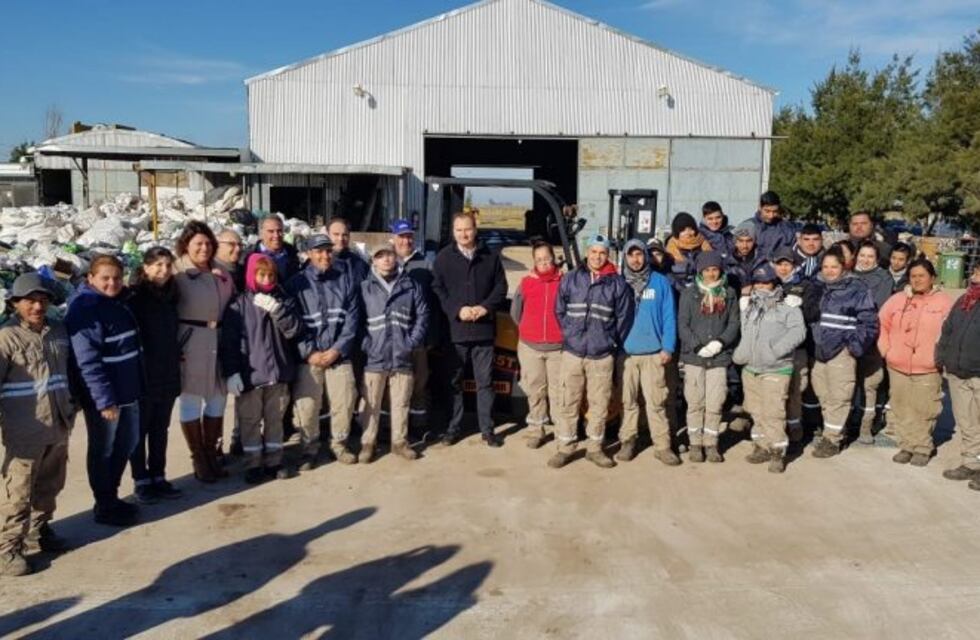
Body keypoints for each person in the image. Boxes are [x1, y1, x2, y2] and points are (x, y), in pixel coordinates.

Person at [0, 274, 74, 575]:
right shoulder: (7, 338)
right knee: (18, 489)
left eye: (42, 300)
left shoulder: (57, 332)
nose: (37, 305)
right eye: (30, 300)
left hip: (58, 423)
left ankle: (39, 531)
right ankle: (7, 549)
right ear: (16, 303)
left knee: (50, 483)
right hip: (24, 429)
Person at [66, 255, 143, 527]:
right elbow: (87, 361)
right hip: (107, 398)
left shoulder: (117, 302)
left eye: (117, 278)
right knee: (104, 450)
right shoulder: (85, 309)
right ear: (91, 279)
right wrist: (103, 400)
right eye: (105, 278)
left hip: (128, 392)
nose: (112, 283)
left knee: (128, 443)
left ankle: (111, 495)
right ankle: (104, 503)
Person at [550, 235, 633, 469]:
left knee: (599, 404)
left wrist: (609, 342)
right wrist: (571, 334)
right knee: (568, 400)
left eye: (602, 253)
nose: (598, 257)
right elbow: (559, 310)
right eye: (594, 252)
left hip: (601, 354)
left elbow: (624, 319)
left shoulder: (617, 284)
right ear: (588, 253)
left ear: (609, 255)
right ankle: (565, 447)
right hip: (573, 353)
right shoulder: (571, 279)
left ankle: (595, 448)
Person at [221, 254, 303, 483]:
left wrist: (279, 312)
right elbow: (230, 343)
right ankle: (253, 464)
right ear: (251, 275)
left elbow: (294, 330)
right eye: (261, 274)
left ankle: (274, 461)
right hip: (251, 374)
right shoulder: (239, 306)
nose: (266, 279)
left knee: (275, 419)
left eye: (270, 275)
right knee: (250, 421)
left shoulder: (282, 300)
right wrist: (232, 372)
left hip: (278, 373)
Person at [431, 211, 507, 448]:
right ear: (453, 232)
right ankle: (453, 429)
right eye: (459, 230)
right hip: (456, 332)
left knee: (485, 382)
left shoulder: (490, 257)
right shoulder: (443, 258)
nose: (464, 234)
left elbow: (501, 286)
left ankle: (487, 429)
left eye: (468, 229)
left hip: (483, 331)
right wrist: (457, 310)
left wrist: (485, 308)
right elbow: (438, 289)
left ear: (475, 229)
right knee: (453, 382)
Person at [286, 234, 362, 467]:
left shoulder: (345, 280)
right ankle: (309, 449)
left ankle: (338, 445)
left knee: (345, 401)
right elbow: (292, 324)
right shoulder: (296, 284)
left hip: (338, 355)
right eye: (318, 251)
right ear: (308, 254)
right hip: (310, 358)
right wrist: (309, 353)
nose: (324, 256)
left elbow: (352, 321)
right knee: (307, 406)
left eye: (328, 251)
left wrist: (337, 350)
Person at [174, 221, 236, 483]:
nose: (204, 248)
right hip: (191, 339)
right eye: (198, 243)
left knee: (217, 397)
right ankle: (198, 456)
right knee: (191, 398)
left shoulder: (220, 271)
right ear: (186, 245)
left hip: (218, 338)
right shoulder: (177, 271)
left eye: (208, 243)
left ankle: (212, 452)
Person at [358, 243, 430, 463]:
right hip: (375, 356)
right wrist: (367, 345)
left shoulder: (410, 285)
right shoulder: (365, 287)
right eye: (380, 256)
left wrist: (411, 343)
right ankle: (367, 443)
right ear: (374, 260)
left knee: (401, 402)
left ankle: (399, 442)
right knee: (371, 403)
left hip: (402, 354)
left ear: (396, 257)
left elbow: (423, 315)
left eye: (389, 254)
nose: (386, 259)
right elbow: (357, 321)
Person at [878, 259, 953, 466]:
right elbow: (882, 324)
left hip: (927, 367)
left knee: (925, 408)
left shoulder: (944, 302)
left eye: (922, 276)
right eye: (913, 276)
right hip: (897, 365)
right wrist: (887, 351)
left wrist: (940, 357)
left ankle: (922, 447)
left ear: (932, 278)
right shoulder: (897, 300)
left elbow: (951, 333)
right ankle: (906, 445)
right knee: (901, 406)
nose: (917, 280)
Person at [733, 264, 806, 473]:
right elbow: (746, 333)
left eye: (766, 282)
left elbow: (798, 332)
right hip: (751, 368)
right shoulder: (749, 307)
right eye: (758, 282)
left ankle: (777, 451)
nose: (762, 286)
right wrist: (742, 354)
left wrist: (775, 351)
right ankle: (761, 445)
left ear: (774, 283)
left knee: (773, 411)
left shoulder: (787, 307)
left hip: (776, 368)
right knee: (755, 410)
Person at [807, 248, 878, 458]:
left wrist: (853, 347)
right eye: (826, 266)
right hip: (819, 350)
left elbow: (869, 322)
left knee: (840, 395)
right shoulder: (816, 286)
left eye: (834, 266)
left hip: (841, 350)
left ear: (843, 267)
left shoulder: (856, 289)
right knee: (824, 394)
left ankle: (832, 439)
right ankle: (836, 429)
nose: (829, 271)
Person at [127, 248, 182, 504]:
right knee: (140, 431)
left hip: (168, 371)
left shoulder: (171, 296)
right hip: (144, 374)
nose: (163, 270)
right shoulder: (135, 298)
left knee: (161, 428)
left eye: (167, 265)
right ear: (145, 268)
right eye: (157, 265)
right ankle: (141, 480)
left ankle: (158, 476)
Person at [617, 239, 677, 465]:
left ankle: (662, 445)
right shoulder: (619, 282)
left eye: (639, 254)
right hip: (627, 354)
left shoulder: (660, 282)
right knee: (628, 401)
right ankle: (628, 440)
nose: (635, 259)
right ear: (625, 257)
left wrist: (668, 347)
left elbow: (669, 316)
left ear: (646, 256)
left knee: (656, 402)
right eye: (631, 255)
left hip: (654, 354)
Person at [678, 251, 739, 463]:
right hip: (695, 358)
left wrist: (719, 343)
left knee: (715, 402)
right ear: (700, 271)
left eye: (715, 269)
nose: (711, 274)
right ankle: (695, 442)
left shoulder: (729, 293)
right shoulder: (689, 294)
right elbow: (683, 324)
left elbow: (733, 323)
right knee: (695, 402)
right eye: (707, 270)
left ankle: (711, 443)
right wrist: (696, 346)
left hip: (719, 358)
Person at [511, 241, 563, 449]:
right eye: (539, 259)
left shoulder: (564, 282)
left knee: (559, 392)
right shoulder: (526, 283)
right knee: (535, 390)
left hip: (557, 348)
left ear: (553, 258)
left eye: (546, 258)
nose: (543, 262)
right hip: (531, 347)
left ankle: (562, 431)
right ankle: (536, 429)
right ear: (534, 261)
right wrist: (527, 328)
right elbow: (516, 313)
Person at [390, 219, 439, 432]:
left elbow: (434, 305)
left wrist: (431, 337)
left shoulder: (426, 265)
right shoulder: (384, 263)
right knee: (391, 386)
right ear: (392, 238)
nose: (406, 241)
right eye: (401, 236)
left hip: (418, 338)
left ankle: (418, 427)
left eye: (409, 236)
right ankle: (388, 428)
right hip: (391, 339)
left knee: (419, 383)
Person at [937, 263, 980, 488]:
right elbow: (948, 329)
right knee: (967, 422)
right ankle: (971, 463)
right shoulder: (965, 300)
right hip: (957, 370)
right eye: (976, 272)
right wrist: (942, 355)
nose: (975, 276)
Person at [852, 240, 892, 443]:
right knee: (850, 383)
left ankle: (866, 427)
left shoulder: (883, 278)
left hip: (872, 338)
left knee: (870, 385)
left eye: (870, 256)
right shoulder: (849, 275)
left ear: (876, 259)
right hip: (850, 337)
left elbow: (878, 306)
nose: (865, 260)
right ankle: (849, 422)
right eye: (862, 255)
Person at [771, 247, 811, 443]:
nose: (783, 269)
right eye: (780, 264)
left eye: (787, 264)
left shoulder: (805, 286)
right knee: (774, 392)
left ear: (794, 266)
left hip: (797, 349)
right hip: (772, 349)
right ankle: (773, 431)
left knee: (795, 390)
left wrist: (801, 306)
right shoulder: (767, 285)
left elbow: (813, 313)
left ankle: (795, 429)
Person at [242, 216, 301, 282]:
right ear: (261, 233)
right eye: (271, 231)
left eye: (279, 231)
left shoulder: (291, 253)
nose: (276, 235)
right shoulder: (249, 256)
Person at [666, 212, 711, 292]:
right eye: (683, 230)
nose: (688, 233)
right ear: (677, 232)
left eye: (690, 229)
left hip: (703, 289)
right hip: (678, 291)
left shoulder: (704, 244)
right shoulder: (670, 248)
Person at [750, 191, 796, 260]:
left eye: (775, 211)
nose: (771, 216)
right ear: (760, 207)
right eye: (767, 211)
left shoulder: (787, 229)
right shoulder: (749, 226)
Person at [726, 220, 766, 295]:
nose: (745, 246)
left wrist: (752, 288)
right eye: (741, 241)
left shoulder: (764, 260)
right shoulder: (726, 263)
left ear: (754, 241)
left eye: (749, 241)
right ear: (735, 242)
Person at [327, 217, 370, 283]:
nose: (340, 239)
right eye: (336, 234)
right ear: (327, 236)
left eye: (344, 235)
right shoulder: (315, 264)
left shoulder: (359, 265)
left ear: (349, 236)